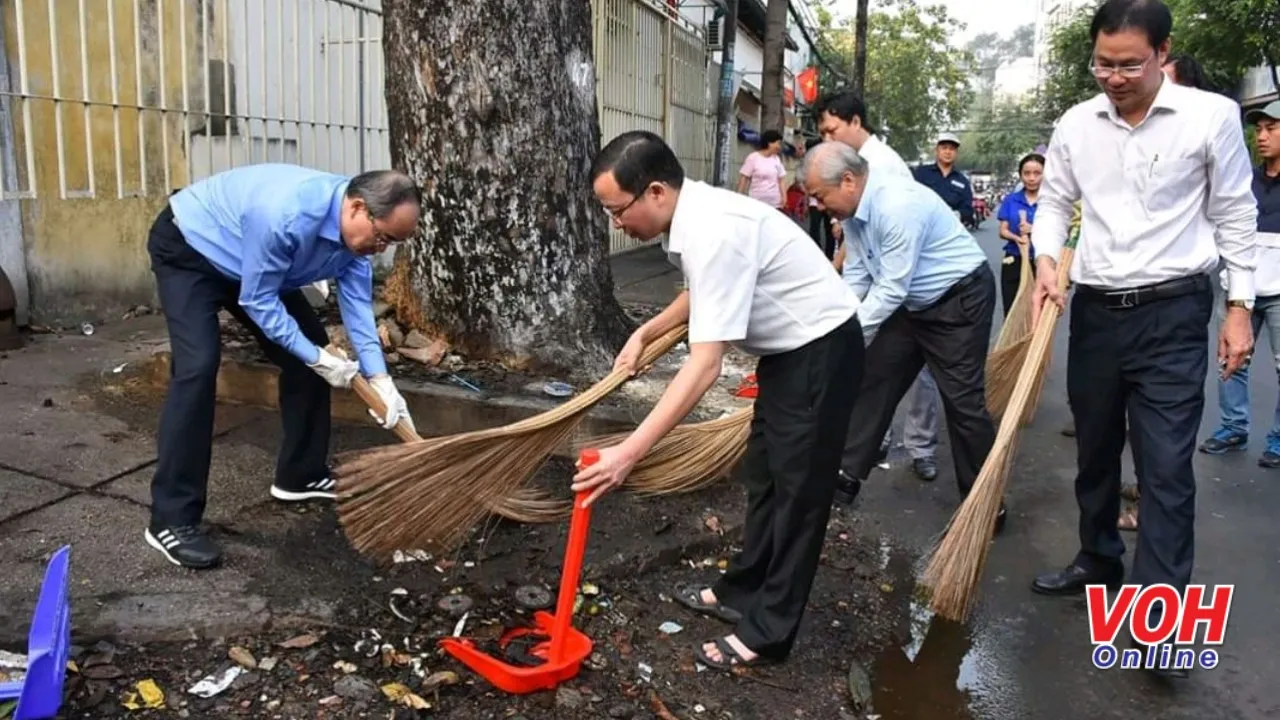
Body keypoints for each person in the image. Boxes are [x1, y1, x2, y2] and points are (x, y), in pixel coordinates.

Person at [574, 131, 864, 670]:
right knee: (766, 480)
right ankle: (741, 589)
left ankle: (770, 632)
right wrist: (647, 330)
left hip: (820, 352)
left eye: (617, 211)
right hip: (788, 355)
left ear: (655, 191)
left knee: (798, 499)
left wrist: (629, 453)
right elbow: (702, 290)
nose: (616, 223)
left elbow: (704, 367)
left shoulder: (714, 231)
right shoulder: (693, 215)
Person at [1027, 0, 1255, 679]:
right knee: (1095, 452)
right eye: (1103, 63)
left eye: (1129, 64)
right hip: (1096, 312)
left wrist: (1238, 306)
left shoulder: (1210, 117)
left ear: (1164, 53)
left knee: (1164, 469)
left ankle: (1159, 622)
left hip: (1174, 314)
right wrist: (1045, 261)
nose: (1115, 77)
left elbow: (1235, 212)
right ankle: (1098, 558)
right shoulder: (1076, 122)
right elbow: (1054, 202)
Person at [146, 164, 421, 569]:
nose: (382, 248)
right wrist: (316, 356)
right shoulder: (288, 215)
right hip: (192, 250)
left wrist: (381, 380)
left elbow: (359, 310)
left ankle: (300, 474)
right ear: (358, 208)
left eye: (393, 243)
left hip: (253, 261)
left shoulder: (355, 242)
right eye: (383, 237)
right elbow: (258, 301)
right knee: (198, 367)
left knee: (308, 356)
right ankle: (172, 519)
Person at [803, 141, 1005, 532]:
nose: (818, 206)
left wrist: (843, 340)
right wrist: (835, 326)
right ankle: (846, 474)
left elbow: (891, 288)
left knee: (962, 402)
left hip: (957, 300)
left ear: (847, 181)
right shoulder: (853, 212)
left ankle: (985, 503)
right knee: (873, 378)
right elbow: (861, 273)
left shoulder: (896, 204)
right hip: (912, 302)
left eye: (819, 196)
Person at [815, 90, 945, 486]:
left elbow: (894, 269)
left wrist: (855, 323)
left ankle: (921, 448)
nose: (827, 140)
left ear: (855, 122)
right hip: (878, 275)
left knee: (920, 369)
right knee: (874, 365)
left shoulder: (885, 169)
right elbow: (857, 258)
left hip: (913, 284)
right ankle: (875, 441)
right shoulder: (847, 168)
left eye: (831, 130)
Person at [1198, 99, 1280, 466]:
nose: (1262, 137)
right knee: (1231, 362)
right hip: (1238, 291)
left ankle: (1278, 439)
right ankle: (1233, 427)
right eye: (1259, 129)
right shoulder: (1244, 181)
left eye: (1271, 129)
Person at [995, 153, 1044, 316]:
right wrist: (1018, 239)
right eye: (1027, 173)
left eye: (1037, 173)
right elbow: (1003, 231)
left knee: (1038, 312)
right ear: (1021, 175)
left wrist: (1034, 230)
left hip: (1041, 262)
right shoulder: (1011, 200)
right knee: (1012, 310)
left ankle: (1036, 342)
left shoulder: (1051, 202)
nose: (1031, 178)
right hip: (1014, 259)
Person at [914, 133, 975, 229]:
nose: (948, 152)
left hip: (949, 232)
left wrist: (957, 215)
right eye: (944, 148)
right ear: (937, 151)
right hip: (921, 228)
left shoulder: (962, 181)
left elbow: (968, 210)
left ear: (956, 153)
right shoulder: (921, 173)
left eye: (952, 149)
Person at [737, 130, 788, 210]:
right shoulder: (753, 158)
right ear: (769, 143)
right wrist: (739, 198)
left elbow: (781, 180)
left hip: (775, 204)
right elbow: (744, 179)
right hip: (757, 203)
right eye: (778, 143)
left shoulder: (776, 159)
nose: (779, 147)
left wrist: (784, 197)